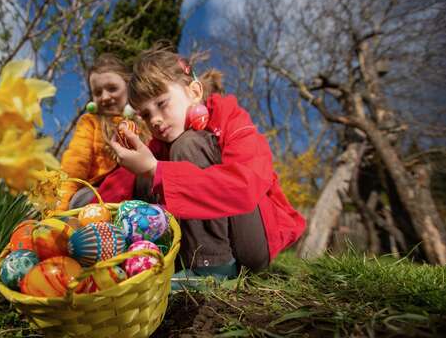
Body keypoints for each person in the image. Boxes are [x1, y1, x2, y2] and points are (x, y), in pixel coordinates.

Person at [97, 46, 306, 282]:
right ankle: (172, 263)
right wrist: (85, 210)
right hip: (194, 249)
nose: (154, 119)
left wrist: (157, 170)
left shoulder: (231, 120)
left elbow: (245, 187)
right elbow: (117, 187)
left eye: (162, 103)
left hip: (251, 241)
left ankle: (213, 268)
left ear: (194, 91)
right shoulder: (160, 143)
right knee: (141, 178)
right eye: (145, 114)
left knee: (185, 147)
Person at [57, 53, 148, 211]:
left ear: (128, 87)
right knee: (81, 200)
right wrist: (59, 211)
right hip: (97, 194)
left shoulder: (145, 122)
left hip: (137, 192)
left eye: (112, 88)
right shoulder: (91, 123)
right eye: (98, 92)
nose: (105, 97)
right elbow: (74, 166)